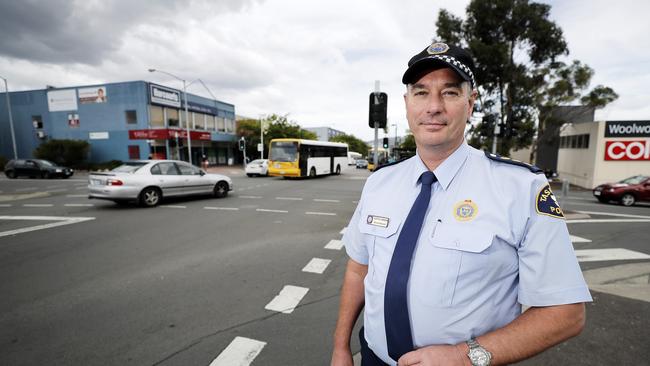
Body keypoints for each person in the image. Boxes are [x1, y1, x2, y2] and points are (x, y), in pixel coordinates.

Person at [331, 41, 592, 366]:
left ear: (471, 104)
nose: (433, 106)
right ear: (407, 103)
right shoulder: (380, 182)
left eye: (450, 93)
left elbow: (566, 312)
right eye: (421, 92)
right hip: (373, 358)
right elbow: (359, 270)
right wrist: (341, 347)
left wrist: (465, 356)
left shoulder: (520, 188)